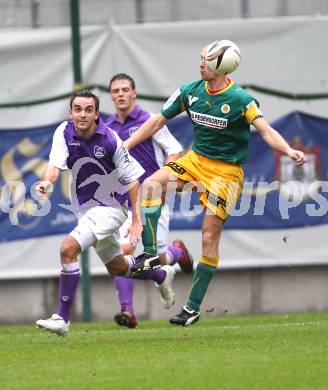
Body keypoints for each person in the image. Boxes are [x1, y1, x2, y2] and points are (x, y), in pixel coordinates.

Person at [124, 40, 305, 326]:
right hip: (196, 160)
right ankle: (148, 254)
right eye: (201, 58)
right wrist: (128, 145)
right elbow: (158, 121)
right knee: (151, 185)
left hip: (226, 173)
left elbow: (266, 131)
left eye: (206, 60)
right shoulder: (189, 91)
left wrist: (288, 150)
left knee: (209, 238)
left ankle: (192, 307)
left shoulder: (241, 100)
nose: (200, 63)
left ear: (221, 66)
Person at [35, 89, 175, 336]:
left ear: (97, 114)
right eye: (78, 109)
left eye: (88, 110)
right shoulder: (64, 132)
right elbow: (54, 167)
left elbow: (133, 182)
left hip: (111, 209)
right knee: (118, 267)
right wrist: (47, 183)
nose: (83, 114)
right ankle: (161, 273)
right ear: (71, 112)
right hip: (85, 209)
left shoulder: (110, 140)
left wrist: (136, 222)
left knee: (68, 249)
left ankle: (62, 319)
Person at [107, 73, 194, 328]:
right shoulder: (108, 127)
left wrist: (165, 180)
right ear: (111, 95)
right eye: (116, 90)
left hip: (151, 199)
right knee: (123, 252)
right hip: (123, 202)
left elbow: (174, 150)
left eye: (125, 89)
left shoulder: (148, 120)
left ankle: (178, 254)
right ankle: (128, 311)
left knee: (155, 260)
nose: (121, 94)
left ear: (134, 93)